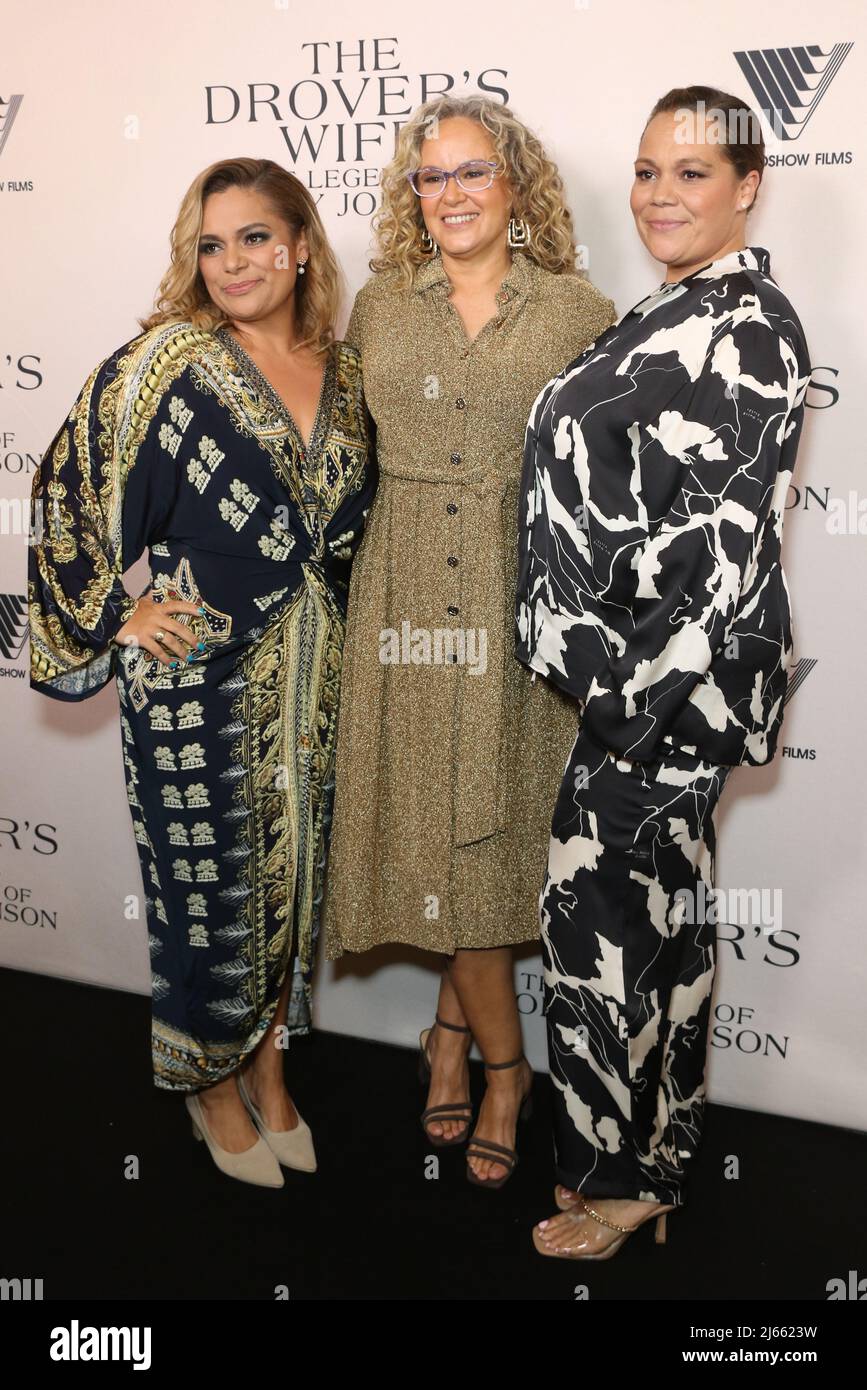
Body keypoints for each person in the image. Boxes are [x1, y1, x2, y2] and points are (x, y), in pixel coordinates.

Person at [28, 157, 376, 1188]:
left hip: (317, 685)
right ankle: (207, 1087)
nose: (235, 262)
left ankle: (269, 1068)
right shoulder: (167, 363)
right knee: (209, 898)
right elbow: (66, 489)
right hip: (198, 688)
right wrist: (114, 614)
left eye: (257, 237)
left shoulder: (350, 372)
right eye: (213, 244)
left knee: (293, 890)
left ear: (302, 245)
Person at [517, 86, 811, 1256]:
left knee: (607, 934)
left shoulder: (750, 322)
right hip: (636, 687)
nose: (658, 195)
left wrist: (616, 697)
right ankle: (657, 1160)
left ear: (747, 187)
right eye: (646, 171)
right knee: (658, 928)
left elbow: (722, 547)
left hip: (662, 697)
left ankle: (623, 1177)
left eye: (691, 174)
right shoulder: (674, 307)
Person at [322, 95, 615, 1187]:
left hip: (512, 600)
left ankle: (477, 1050)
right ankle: (494, 1057)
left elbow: (604, 481)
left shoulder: (581, 311)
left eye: (472, 173)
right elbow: (340, 454)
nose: (450, 194)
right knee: (439, 825)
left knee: (482, 839)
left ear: (517, 185)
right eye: (429, 177)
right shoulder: (381, 306)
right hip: (399, 596)